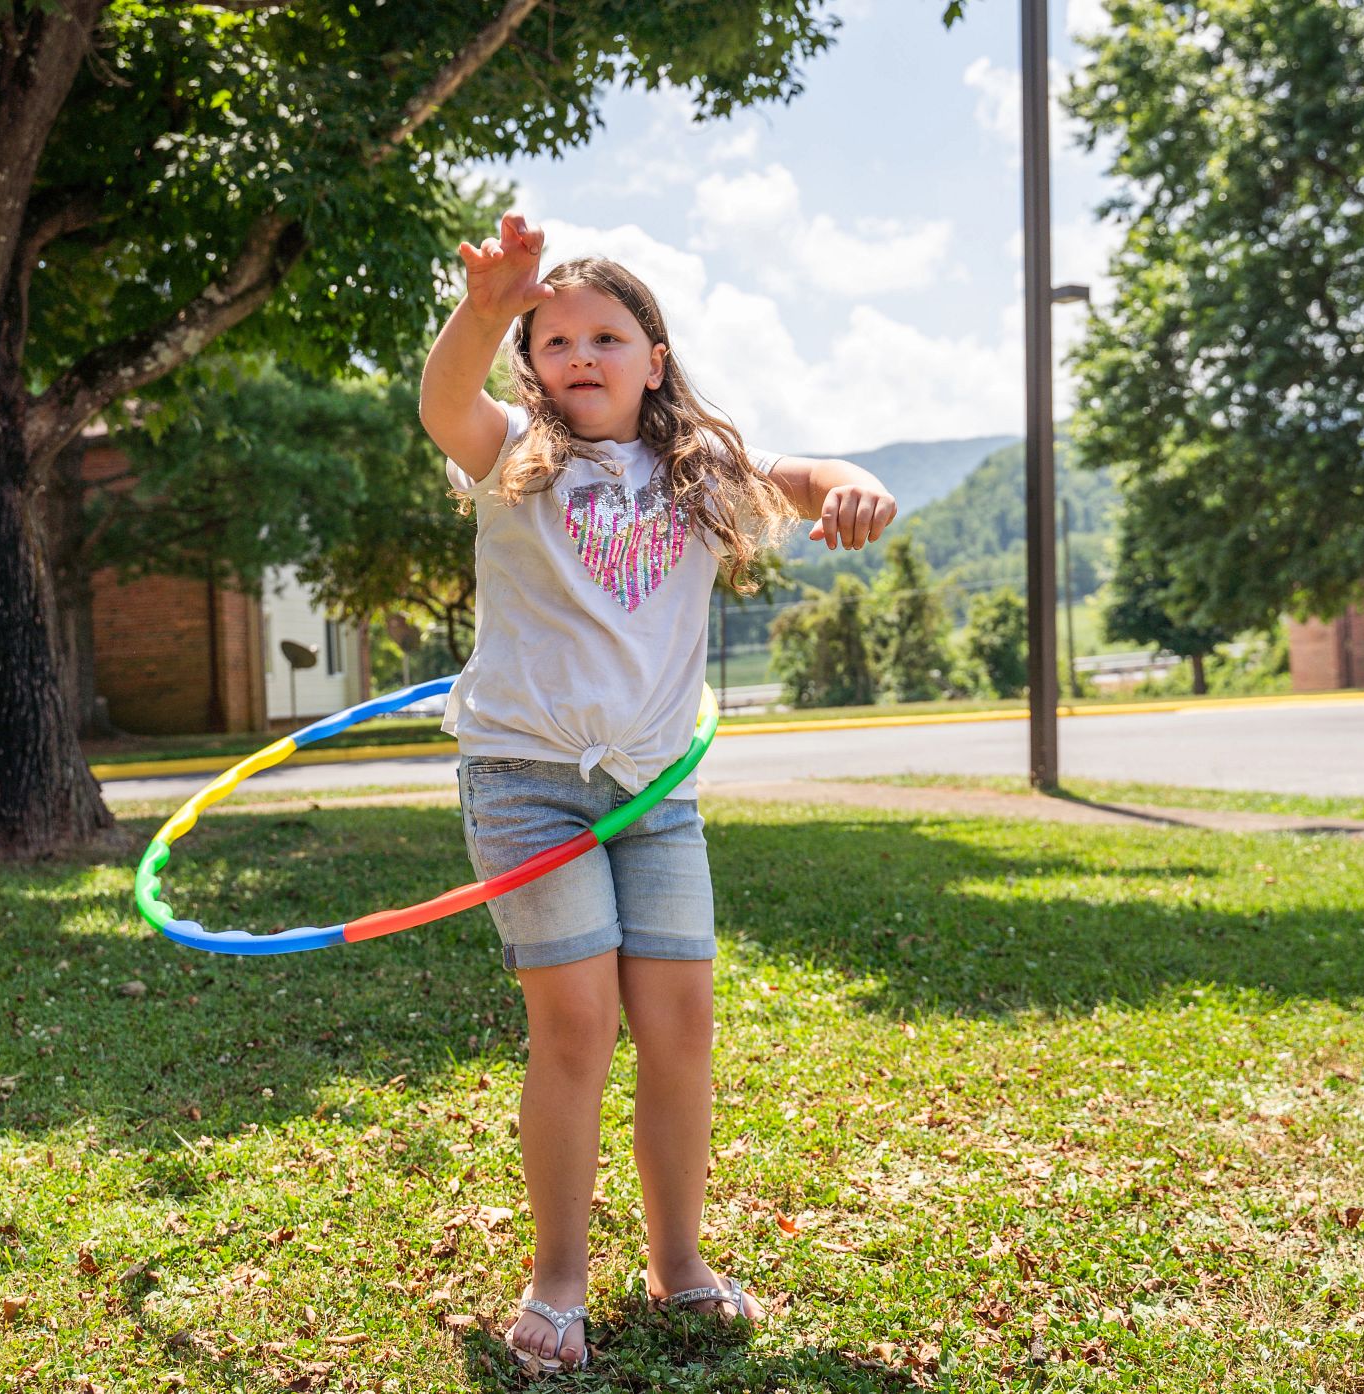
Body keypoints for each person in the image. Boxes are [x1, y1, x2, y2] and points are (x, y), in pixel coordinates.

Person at [417, 212, 897, 1376]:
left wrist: (851, 486)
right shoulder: (513, 463)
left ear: (654, 357)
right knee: (575, 1027)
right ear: (529, 366)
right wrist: (484, 310)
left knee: (680, 1028)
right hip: (527, 779)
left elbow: (800, 473)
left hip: (652, 791)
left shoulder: (698, 474)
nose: (577, 354)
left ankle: (678, 1260)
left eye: (605, 335)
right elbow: (444, 404)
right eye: (552, 339)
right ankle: (558, 1277)